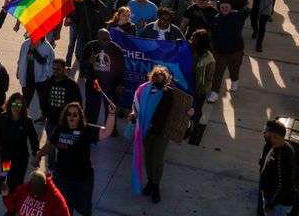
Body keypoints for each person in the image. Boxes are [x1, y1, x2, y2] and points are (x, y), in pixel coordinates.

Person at [34, 102, 112, 216]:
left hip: (83, 180)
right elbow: (51, 144)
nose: (71, 117)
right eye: (69, 114)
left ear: (80, 117)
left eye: (75, 115)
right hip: (62, 179)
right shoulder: (61, 128)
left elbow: (107, 132)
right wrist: (38, 155)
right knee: (64, 209)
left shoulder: (86, 130)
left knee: (84, 209)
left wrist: (112, 113)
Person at [129, 65, 192, 203]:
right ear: (152, 78)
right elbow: (136, 105)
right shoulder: (144, 91)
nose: (159, 82)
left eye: (162, 80)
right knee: (148, 159)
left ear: (167, 80)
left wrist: (188, 114)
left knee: (157, 160)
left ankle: (156, 186)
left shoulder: (171, 94)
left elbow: (182, 109)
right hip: (147, 131)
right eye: (156, 79)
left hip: (162, 132)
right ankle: (150, 182)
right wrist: (134, 115)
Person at [0, 92, 39, 191]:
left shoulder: (27, 121)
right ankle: (8, 198)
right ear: (10, 104)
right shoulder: (2, 118)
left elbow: (34, 139)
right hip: (6, 157)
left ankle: (14, 201)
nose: (16, 107)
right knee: (5, 176)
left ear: (23, 106)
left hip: (21, 159)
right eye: (14, 104)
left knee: (16, 183)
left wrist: (36, 154)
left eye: (19, 105)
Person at [209, 0, 254, 101]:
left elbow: (249, 7)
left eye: (226, 6)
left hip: (235, 51)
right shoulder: (216, 19)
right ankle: (214, 93)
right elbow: (212, 35)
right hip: (219, 52)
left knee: (234, 69)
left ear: (230, 7)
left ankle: (234, 80)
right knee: (218, 73)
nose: (224, 8)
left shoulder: (237, 15)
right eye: (222, 7)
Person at [77, 28, 125, 128]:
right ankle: (89, 128)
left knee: (111, 110)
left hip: (111, 86)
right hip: (93, 85)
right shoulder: (90, 46)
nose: (107, 41)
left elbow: (122, 69)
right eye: (104, 39)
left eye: (109, 39)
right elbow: (82, 64)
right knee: (91, 109)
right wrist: (88, 62)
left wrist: (121, 84)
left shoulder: (116, 49)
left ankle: (111, 129)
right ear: (98, 39)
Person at [65, 0, 111, 67]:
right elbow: (76, 17)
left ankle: (86, 69)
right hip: (82, 35)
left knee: (92, 55)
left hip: (94, 36)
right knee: (78, 54)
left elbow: (105, 22)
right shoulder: (81, 4)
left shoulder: (102, 7)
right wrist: (70, 19)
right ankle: (84, 67)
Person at [259, 120, 298, 215]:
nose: (263, 133)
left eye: (266, 132)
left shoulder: (282, 159)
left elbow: (283, 187)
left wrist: (270, 205)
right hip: (273, 200)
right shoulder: (278, 146)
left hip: (278, 206)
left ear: (274, 137)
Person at [36, 59, 82, 128]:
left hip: (67, 122)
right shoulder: (47, 83)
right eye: (53, 69)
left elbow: (78, 104)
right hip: (51, 122)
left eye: (58, 69)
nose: (55, 71)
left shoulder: (72, 85)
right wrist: (44, 113)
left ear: (64, 69)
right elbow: (44, 100)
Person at [188, 29, 215, 145]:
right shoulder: (188, 48)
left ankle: (196, 127)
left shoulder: (208, 58)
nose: (192, 39)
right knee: (186, 106)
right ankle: (187, 126)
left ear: (201, 41)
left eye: (194, 38)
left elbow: (209, 77)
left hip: (198, 86)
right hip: (187, 82)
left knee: (196, 109)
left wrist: (202, 90)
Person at [1, 170, 70, 216]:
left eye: (39, 190)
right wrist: (6, 195)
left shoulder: (56, 199)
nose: (35, 195)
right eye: (33, 190)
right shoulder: (24, 188)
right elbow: (14, 205)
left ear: (45, 185)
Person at [16, 33, 54, 112]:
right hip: (27, 77)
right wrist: (18, 70)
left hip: (41, 79)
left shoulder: (47, 47)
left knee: (43, 100)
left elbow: (46, 63)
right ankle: (24, 116)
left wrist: (34, 50)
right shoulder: (25, 44)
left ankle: (43, 116)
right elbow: (21, 58)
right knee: (26, 100)